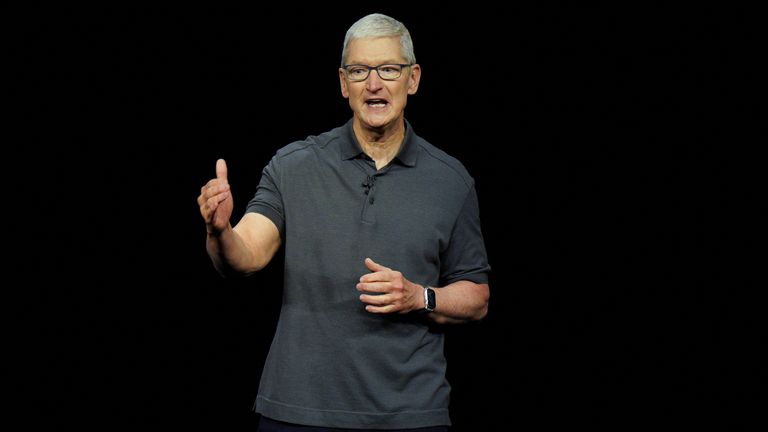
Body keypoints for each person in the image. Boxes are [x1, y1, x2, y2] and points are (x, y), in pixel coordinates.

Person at [197, 13, 490, 431]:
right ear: (343, 83)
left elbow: (476, 296)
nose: (374, 84)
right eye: (359, 71)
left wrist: (418, 296)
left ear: (413, 79)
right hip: (297, 412)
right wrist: (219, 231)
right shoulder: (293, 166)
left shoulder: (450, 180)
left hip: (409, 415)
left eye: (388, 69)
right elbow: (244, 258)